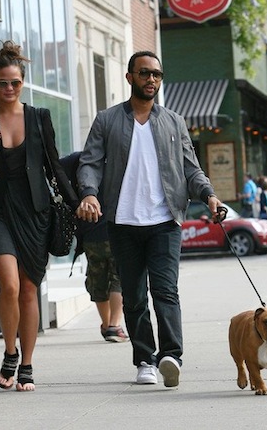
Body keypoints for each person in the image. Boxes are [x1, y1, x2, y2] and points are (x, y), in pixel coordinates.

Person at [75, 51, 224, 388]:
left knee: (165, 291)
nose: (151, 80)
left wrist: (209, 196)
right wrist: (88, 192)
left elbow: (191, 169)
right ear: (130, 77)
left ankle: (171, 356)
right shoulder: (107, 120)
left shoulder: (174, 121)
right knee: (134, 295)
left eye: (157, 74)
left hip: (164, 220)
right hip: (123, 221)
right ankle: (145, 359)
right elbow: (90, 162)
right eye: (144, 73)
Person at [0, 41, 79, 391]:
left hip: (35, 213)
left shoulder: (39, 118)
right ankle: (10, 351)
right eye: (2, 83)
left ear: (23, 83)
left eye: (15, 83)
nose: (9, 89)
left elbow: (54, 167)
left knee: (28, 289)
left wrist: (77, 201)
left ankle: (26, 364)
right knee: (8, 285)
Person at [60, 152, 129, 343]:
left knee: (97, 278)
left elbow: (54, 170)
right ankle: (114, 326)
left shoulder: (76, 161)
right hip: (115, 227)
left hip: (89, 231)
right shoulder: (118, 159)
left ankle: (106, 324)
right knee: (117, 278)